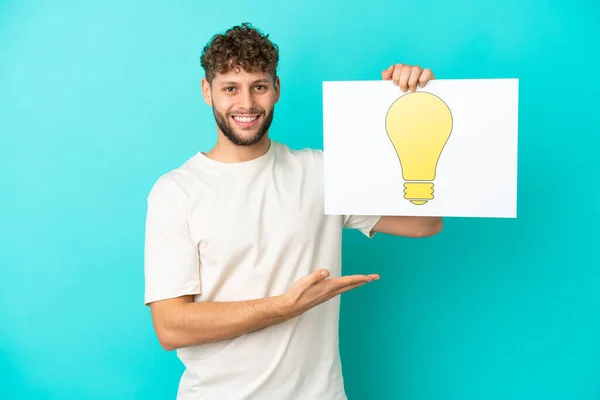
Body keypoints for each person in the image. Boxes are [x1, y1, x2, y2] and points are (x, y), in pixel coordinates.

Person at [144, 22, 442, 400]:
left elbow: (425, 222)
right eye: (230, 89)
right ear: (208, 92)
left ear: (276, 90)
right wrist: (283, 308)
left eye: (259, 86)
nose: (247, 104)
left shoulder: (321, 171)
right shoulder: (176, 192)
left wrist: (410, 104)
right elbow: (171, 327)